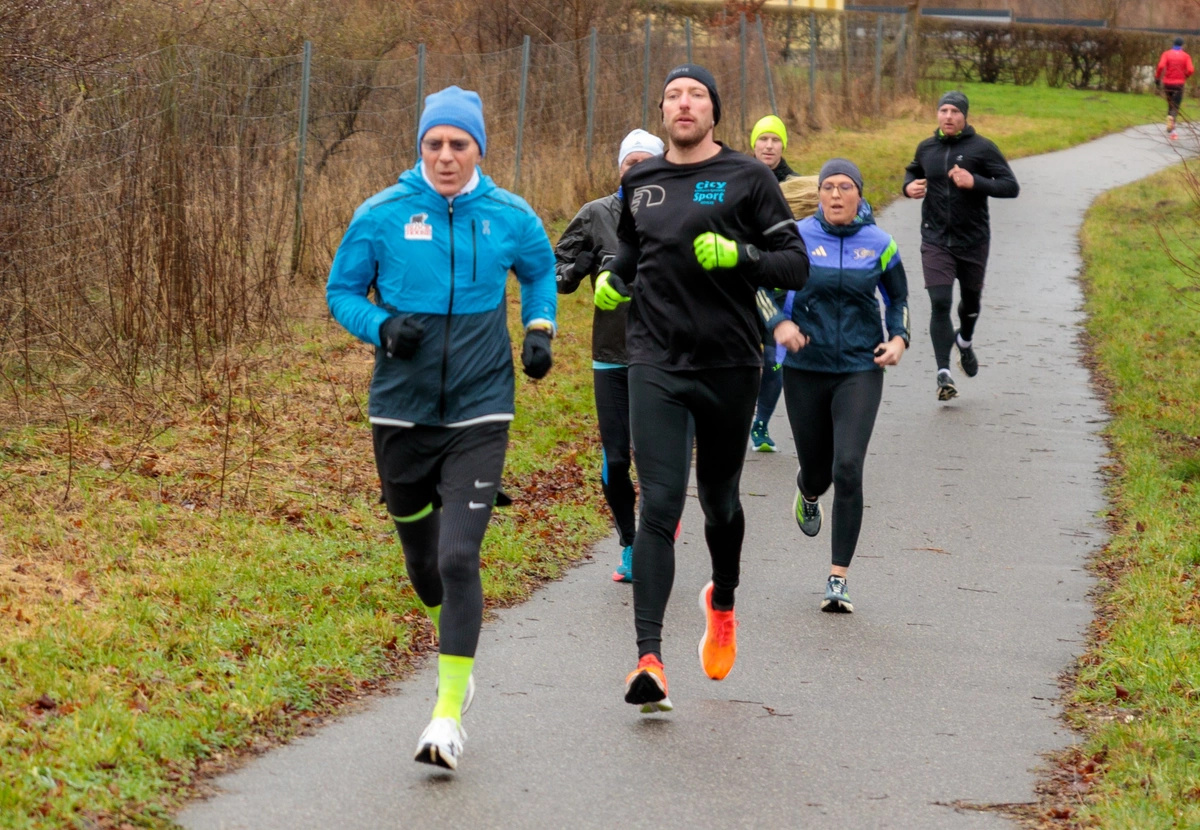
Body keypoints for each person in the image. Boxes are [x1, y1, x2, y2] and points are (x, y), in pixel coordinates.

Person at [325, 86, 557, 770]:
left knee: (459, 559)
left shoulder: (510, 215)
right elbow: (342, 291)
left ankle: (447, 714)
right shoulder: (382, 215)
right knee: (423, 565)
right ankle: (452, 643)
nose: (447, 156)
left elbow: (540, 272)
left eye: (459, 144)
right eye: (435, 144)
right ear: (420, 148)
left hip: (481, 408)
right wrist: (381, 326)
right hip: (400, 409)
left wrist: (539, 327)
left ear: (479, 147)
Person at [594, 64, 809, 712]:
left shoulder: (748, 178)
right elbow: (632, 254)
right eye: (672, 96)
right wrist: (615, 280)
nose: (683, 104)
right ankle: (649, 660)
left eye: (695, 95)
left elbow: (793, 262)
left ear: (714, 110)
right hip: (655, 361)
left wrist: (739, 258)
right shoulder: (642, 181)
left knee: (719, 503)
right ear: (661, 113)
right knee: (660, 505)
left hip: (729, 364)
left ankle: (723, 599)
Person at [766, 159, 908, 613]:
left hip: (859, 369)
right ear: (820, 194)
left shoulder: (880, 244)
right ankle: (808, 492)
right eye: (828, 187)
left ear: (859, 196)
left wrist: (899, 338)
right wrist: (779, 323)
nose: (835, 194)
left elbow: (899, 298)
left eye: (845, 187)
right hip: (806, 366)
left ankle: (838, 577)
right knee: (819, 471)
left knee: (847, 467)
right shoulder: (797, 238)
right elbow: (763, 290)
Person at [555, 129, 664, 584]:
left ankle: (659, 527)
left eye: (644, 163)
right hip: (612, 356)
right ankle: (629, 543)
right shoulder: (596, 214)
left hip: (663, 357)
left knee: (657, 461)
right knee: (617, 460)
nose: (634, 170)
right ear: (618, 168)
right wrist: (579, 269)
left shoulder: (679, 214)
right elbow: (556, 273)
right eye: (627, 163)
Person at [903, 90, 1019, 401]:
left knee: (970, 304)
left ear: (965, 116)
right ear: (937, 115)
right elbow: (914, 169)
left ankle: (965, 342)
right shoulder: (927, 148)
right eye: (944, 110)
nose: (949, 116)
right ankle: (944, 373)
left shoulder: (982, 149)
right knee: (940, 302)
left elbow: (1011, 186)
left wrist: (975, 182)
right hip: (936, 239)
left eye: (955, 111)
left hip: (973, 240)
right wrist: (907, 186)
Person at [748, 114, 799, 453]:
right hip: (742, 282)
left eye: (775, 140)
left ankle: (761, 424)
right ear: (753, 144)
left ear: (783, 145)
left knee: (773, 359)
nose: (769, 145)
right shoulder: (739, 177)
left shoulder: (798, 184)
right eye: (763, 139)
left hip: (779, 286)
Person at [1156, 37, 1194, 140]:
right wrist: (1185, 75)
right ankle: (1173, 131)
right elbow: (1191, 69)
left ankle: (1170, 123)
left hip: (1167, 83)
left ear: (1173, 44)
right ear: (1182, 45)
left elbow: (1160, 66)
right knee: (1175, 107)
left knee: (1170, 104)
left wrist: (1157, 77)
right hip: (1179, 84)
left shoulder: (1166, 54)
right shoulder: (1186, 56)